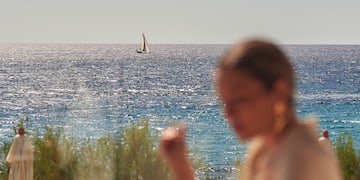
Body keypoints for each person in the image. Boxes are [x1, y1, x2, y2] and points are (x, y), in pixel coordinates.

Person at [159, 39, 343, 180]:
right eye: (224, 102)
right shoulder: (265, 151)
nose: (228, 114)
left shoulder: (303, 160)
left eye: (240, 99)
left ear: (279, 91)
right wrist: (181, 168)